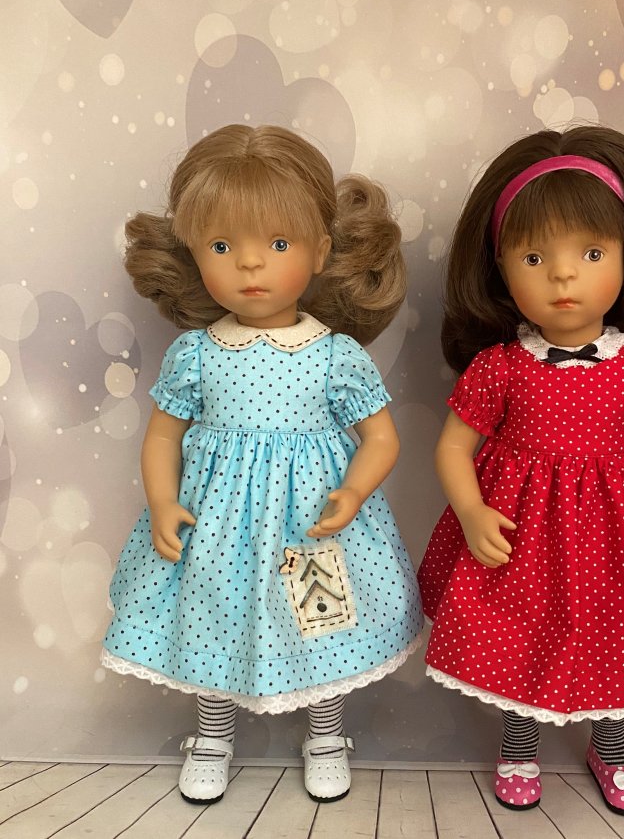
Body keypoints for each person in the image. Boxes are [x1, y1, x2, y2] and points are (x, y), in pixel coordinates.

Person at [417, 125, 624, 816]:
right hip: (521, 532)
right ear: (501, 267)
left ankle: (612, 745)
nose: (563, 275)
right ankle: (518, 744)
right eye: (534, 256)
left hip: (617, 536)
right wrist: (472, 511)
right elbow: (452, 448)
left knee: (618, 636)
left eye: (591, 253)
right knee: (517, 634)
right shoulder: (500, 367)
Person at [102, 124, 423, 805]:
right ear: (195, 254)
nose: (251, 266)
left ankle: (326, 737)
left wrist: (353, 493)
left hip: (311, 525)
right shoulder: (196, 353)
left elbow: (381, 438)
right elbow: (162, 438)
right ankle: (212, 737)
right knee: (211, 617)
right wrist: (162, 501)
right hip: (217, 526)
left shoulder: (334, 355)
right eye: (222, 247)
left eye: (278, 245)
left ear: (320, 250)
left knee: (322, 624)